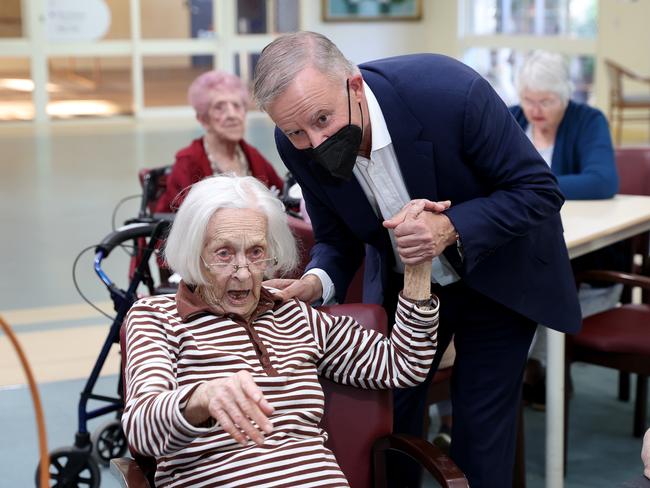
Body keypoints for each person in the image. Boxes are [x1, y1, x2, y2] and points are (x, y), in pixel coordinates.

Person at [252, 31, 581, 487]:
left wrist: (450, 228)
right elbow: (337, 240)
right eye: (296, 132)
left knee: (480, 430)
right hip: (409, 292)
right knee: (389, 421)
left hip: (499, 271)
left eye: (322, 119)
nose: (315, 139)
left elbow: (539, 191)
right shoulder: (295, 141)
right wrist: (315, 283)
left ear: (353, 84)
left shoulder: (449, 93)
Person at [121, 175, 440, 488]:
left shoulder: (294, 314)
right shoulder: (156, 317)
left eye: (256, 252)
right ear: (194, 253)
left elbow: (403, 365)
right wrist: (200, 399)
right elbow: (141, 430)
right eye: (224, 254)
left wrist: (417, 270)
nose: (243, 273)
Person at [510, 50, 623, 409]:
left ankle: (533, 374)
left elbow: (602, 181)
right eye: (529, 100)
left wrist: (532, 188)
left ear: (566, 95)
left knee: (532, 297)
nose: (536, 110)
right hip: (524, 248)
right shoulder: (511, 119)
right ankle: (520, 378)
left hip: (586, 268)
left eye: (547, 101)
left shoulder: (588, 120)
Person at [155, 70, 284, 214]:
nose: (232, 115)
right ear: (203, 119)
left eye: (236, 106)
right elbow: (175, 223)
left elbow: (282, 197)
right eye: (219, 108)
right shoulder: (188, 161)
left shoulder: (251, 155)